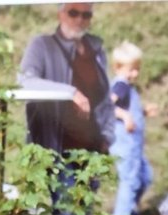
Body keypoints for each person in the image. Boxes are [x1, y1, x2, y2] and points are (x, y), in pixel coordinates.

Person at [17, 2, 115, 196]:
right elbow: (24, 82)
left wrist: (107, 137)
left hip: (91, 154)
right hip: (57, 154)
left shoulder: (95, 49)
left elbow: (105, 99)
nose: (80, 19)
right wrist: (70, 93)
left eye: (86, 15)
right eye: (73, 13)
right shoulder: (42, 45)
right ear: (60, 14)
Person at [108, 41, 157, 215]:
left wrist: (143, 112)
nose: (135, 74)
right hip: (125, 145)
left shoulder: (127, 87)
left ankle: (128, 212)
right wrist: (124, 116)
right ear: (117, 67)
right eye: (131, 69)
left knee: (145, 177)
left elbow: (126, 107)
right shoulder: (120, 85)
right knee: (130, 181)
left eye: (137, 69)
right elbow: (106, 107)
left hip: (134, 146)